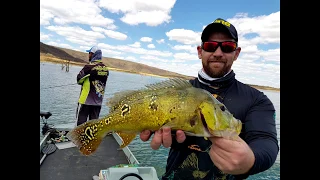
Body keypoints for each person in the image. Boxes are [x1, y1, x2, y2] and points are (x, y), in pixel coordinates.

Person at [140, 18, 279, 180]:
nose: (218, 53)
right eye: (210, 46)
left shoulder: (257, 100)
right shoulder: (175, 92)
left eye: (227, 47)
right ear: (200, 51)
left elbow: (266, 141)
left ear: (236, 53)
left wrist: (251, 160)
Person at [76, 46, 109, 126]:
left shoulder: (89, 67)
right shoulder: (105, 69)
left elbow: (79, 80)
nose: (88, 55)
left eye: (89, 53)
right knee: (93, 125)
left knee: (81, 124)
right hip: (98, 102)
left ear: (93, 54)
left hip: (86, 100)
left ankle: (80, 138)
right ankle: (92, 138)